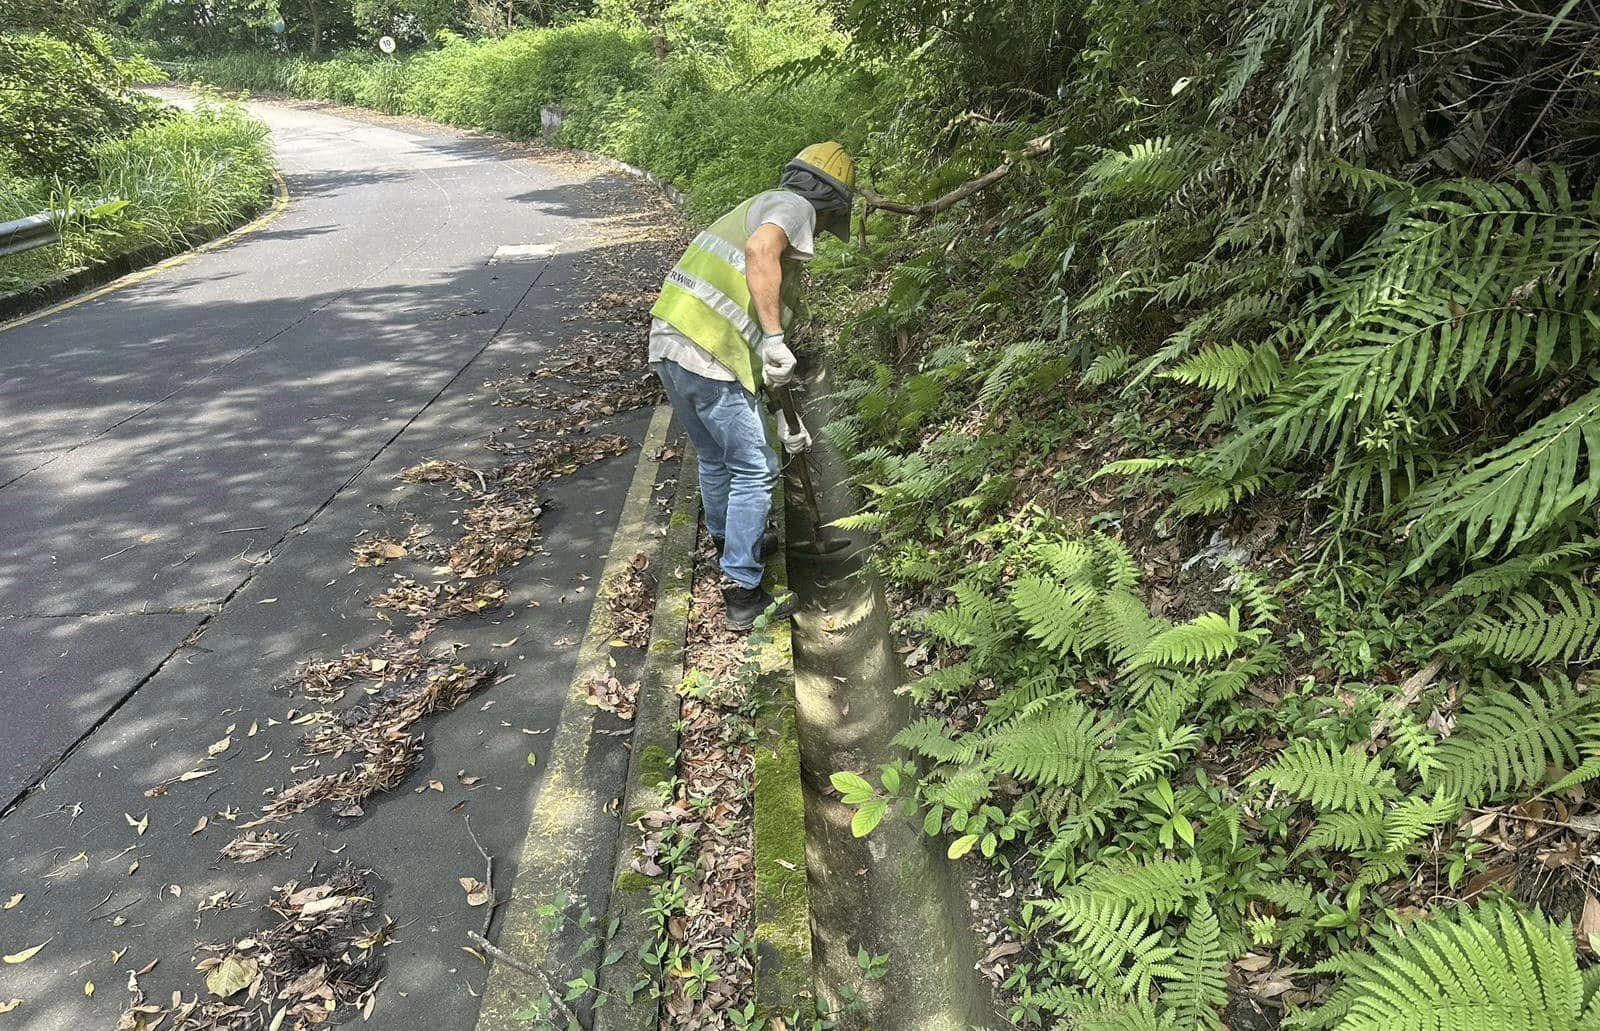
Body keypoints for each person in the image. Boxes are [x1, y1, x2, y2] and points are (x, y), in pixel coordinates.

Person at [647, 142, 855, 630]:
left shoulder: (764, 234)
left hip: (671, 339)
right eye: (828, 224)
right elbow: (761, 253)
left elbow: (766, 360)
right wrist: (780, 338)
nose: (819, 234)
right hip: (709, 350)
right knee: (755, 469)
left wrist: (788, 422)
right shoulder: (791, 206)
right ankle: (743, 591)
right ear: (826, 200)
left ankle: (732, 544)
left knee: (718, 459)